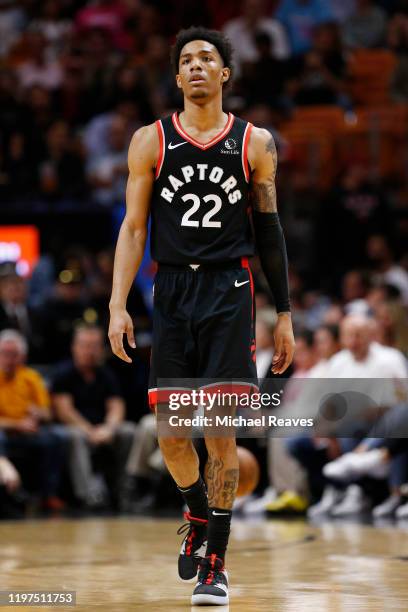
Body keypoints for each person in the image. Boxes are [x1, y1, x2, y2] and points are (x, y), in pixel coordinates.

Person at [108, 26, 295, 606]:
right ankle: (195, 513)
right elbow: (134, 227)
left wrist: (284, 312)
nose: (194, 66)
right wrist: (117, 304)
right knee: (171, 437)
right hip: (171, 293)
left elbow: (269, 229)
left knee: (220, 433)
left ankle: (216, 559)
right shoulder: (151, 140)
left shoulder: (253, 142)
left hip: (230, 291)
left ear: (224, 76)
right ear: (177, 76)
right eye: (185, 59)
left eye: (206, 59)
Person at [52, 324, 138, 510]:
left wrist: (109, 428)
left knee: (129, 431)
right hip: (76, 428)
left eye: (94, 346)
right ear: (74, 347)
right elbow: (64, 411)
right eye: (85, 345)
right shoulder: (63, 374)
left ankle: (125, 491)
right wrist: (90, 431)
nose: (89, 351)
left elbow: (117, 406)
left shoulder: (107, 374)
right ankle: (89, 494)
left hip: (102, 428)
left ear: (102, 350)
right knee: (75, 436)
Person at [0, 329, 65, 511]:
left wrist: (37, 414)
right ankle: (6, 473)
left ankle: (48, 494)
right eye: (4, 354)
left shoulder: (31, 377)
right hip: (5, 431)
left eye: (13, 354)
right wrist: (17, 424)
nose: (9, 359)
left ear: (22, 356)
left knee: (55, 438)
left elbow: (47, 414)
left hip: (28, 430)